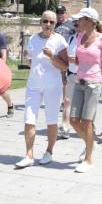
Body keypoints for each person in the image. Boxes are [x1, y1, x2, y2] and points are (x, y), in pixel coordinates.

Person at [15, 11, 69, 168]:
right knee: (29, 118)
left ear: (55, 24)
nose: (48, 25)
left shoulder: (59, 40)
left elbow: (64, 66)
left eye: (52, 22)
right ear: (41, 22)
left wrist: (52, 56)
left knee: (51, 120)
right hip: (34, 85)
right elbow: (30, 60)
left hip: (53, 86)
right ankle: (29, 155)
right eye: (45, 21)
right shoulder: (33, 38)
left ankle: (49, 152)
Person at [69, 7, 102, 173]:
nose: (78, 22)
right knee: (73, 120)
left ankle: (89, 160)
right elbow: (79, 60)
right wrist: (74, 60)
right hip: (79, 81)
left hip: (94, 83)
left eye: (81, 19)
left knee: (87, 122)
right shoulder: (79, 37)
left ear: (90, 21)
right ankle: (90, 143)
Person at [55, 6, 75, 140]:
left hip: (68, 55)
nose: (60, 15)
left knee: (66, 80)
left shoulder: (71, 24)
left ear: (66, 14)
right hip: (57, 55)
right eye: (58, 13)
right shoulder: (54, 25)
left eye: (62, 13)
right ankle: (63, 100)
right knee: (61, 80)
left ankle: (65, 100)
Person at [60, 17, 82, 141]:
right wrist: (63, 75)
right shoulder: (71, 38)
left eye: (78, 24)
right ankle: (65, 127)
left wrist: (78, 61)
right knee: (67, 101)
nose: (76, 26)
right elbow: (65, 58)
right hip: (72, 74)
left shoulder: (89, 39)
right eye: (75, 24)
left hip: (85, 76)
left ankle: (86, 126)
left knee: (83, 104)